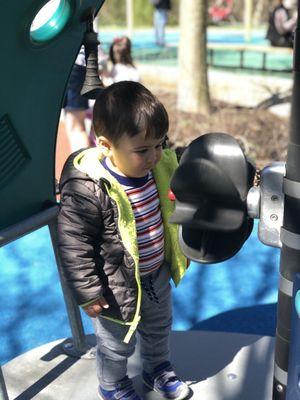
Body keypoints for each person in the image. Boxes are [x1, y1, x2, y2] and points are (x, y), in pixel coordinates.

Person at [57, 81, 191, 400]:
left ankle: (157, 368)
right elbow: (74, 244)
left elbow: (188, 159)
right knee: (116, 342)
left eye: (159, 144)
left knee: (159, 329)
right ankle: (113, 383)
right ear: (106, 145)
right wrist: (88, 291)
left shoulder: (158, 168)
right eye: (143, 150)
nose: (155, 156)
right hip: (114, 285)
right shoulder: (90, 189)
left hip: (155, 273)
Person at [63, 45, 107, 152]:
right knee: (73, 126)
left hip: (72, 62)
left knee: (76, 127)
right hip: (76, 63)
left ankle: (80, 167)